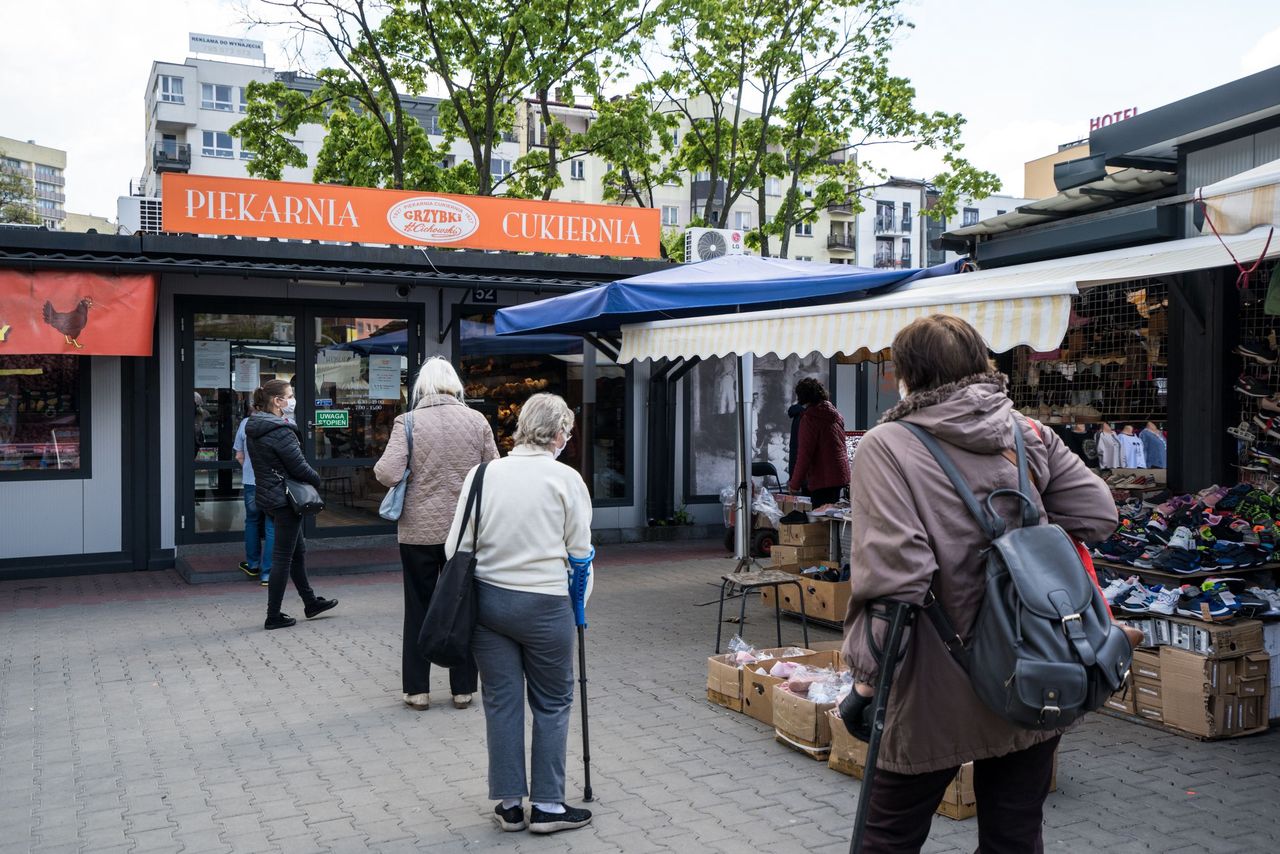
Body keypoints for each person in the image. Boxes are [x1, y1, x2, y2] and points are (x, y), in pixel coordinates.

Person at [841, 315, 1116, 853]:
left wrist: (866, 684)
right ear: (981, 362)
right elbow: (1099, 513)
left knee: (888, 836)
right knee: (1014, 833)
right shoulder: (1026, 430)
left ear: (908, 375)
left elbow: (899, 579)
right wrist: (1026, 536)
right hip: (1034, 666)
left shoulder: (887, 444)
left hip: (934, 677)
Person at [445, 393, 594, 835]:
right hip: (547, 605)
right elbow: (580, 553)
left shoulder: (483, 474)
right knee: (552, 702)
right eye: (567, 429)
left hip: (488, 604)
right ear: (558, 433)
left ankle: (510, 805)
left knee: (501, 701)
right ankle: (548, 806)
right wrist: (580, 607)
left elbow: (456, 547)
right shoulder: (567, 479)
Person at [374, 357, 499, 712]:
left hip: (417, 532)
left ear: (422, 387)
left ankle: (417, 690)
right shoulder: (477, 421)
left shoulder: (407, 422)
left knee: (418, 607)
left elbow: (386, 473)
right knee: (462, 606)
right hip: (464, 531)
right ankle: (462, 688)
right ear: (454, 384)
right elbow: (494, 467)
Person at [246, 378, 339, 631]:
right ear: (277, 401)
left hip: (271, 497)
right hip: (286, 499)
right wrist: (318, 480)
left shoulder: (255, 426)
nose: (292, 400)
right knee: (283, 558)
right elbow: (299, 467)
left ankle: (310, 602)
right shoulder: (279, 430)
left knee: (297, 554)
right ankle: (273, 615)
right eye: (289, 396)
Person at [787, 378, 850, 506]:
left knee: (820, 520)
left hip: (822, 478)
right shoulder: (835, 414)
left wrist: (794, 484)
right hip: (839, 476)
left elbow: (804, 454)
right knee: (832, 519)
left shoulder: (809, 419)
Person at [234, 406, 274, 586]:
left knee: (252, 521)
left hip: (251, 481)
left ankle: (252, 564)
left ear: (256, 407)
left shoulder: (245, 424)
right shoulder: (278, 424)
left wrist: (249, 469)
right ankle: (268, 573)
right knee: (271, 525)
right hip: (273, 483)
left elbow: (239, 455)